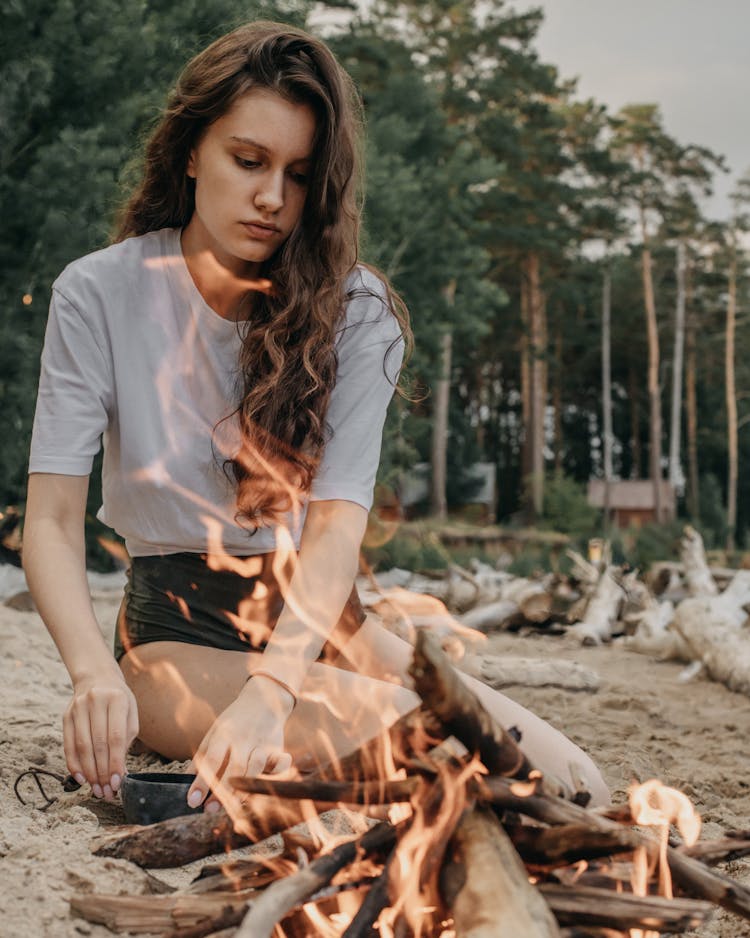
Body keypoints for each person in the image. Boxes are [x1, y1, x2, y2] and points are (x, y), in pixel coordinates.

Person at [23, 21, 609, 814]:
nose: (272, 198)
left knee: (574, 780)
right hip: (175, 639)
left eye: (299, 175)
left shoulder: (356, 311)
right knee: (427, 739)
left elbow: (335, 529)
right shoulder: (97, 293)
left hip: (317, 624)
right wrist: (92, 675)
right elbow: (51, 524)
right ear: (191, 151)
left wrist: (273, 691)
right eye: (248, 160)